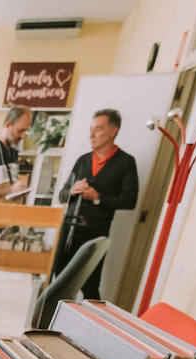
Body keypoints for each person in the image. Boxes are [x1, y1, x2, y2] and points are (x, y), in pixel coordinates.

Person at [56, 108, 139, 301]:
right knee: (59, 284)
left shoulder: (126, 163)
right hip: (68, 233)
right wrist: (73, 190)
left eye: (98, 129)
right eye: (90, 129)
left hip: (95, 235)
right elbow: (62, 195)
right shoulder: (82, 161)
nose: (91, 135)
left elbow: (130, 200)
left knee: (90, 287)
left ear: (113, 131)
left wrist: (97, 197)